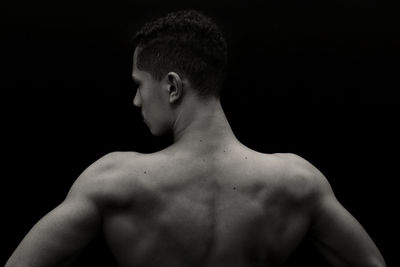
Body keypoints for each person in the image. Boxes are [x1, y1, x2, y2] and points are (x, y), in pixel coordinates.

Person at [6, 10, 386, 267]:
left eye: (139, 85)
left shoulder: (112, 180)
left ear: (172, 86)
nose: (135, 99)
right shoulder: (297, 182)